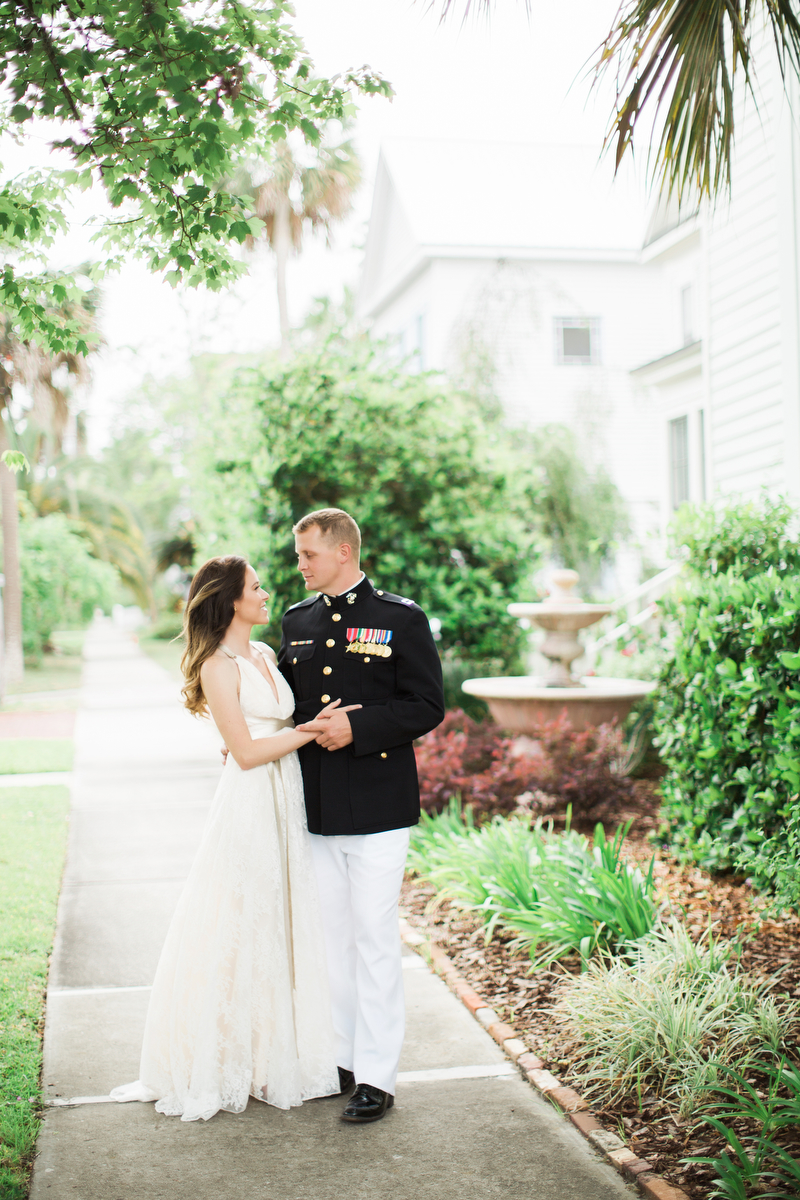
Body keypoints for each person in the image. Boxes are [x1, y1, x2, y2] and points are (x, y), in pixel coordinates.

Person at [111, 555, 359, 1121]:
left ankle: (270, 1054)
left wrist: (308, 729)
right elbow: (246, 753)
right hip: (250, 803)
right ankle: (224, 1058)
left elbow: (264, 732)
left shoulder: (265, 654)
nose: (267, 591)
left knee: (277, 922)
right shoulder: (219, 666)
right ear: (230, 601)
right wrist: (305, 732)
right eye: (256, 587)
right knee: (240, 920)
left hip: (283, 795)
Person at [280, 508, 445, 1124]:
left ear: (343, 552)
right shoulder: (297, 621)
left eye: (308, 555)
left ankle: (377, 1076)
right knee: (332, 940)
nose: (300, 565)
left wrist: (357, 727)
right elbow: (287, 706)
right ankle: (343, 1059)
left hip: (379, 807)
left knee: (374, 938)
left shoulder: (399, 619)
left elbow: (427, 705)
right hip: (317, 805)